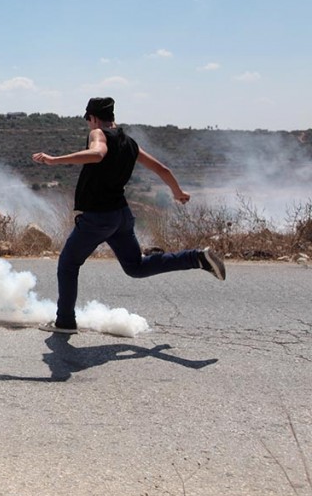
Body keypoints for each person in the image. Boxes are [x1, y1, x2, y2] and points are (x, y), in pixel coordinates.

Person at [31, 97, 225, 334]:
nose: (89, 126)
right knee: (136, 267)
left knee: (68, 264)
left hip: (98, 218)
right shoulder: (130, 143)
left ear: (93, 118)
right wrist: (178, 192)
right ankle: (196, 258)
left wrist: (55, 160)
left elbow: (98, 154)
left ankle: (65, 322)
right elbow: (162, 169)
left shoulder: (98, 135)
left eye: (89, 121)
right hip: (120, 216)